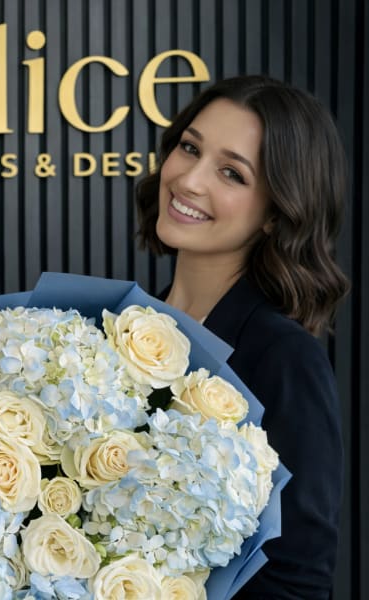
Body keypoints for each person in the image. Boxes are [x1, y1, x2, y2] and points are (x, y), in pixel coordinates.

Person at [135, 75, 349, 599]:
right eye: (190, 148)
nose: (189, 180)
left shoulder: (284, 357)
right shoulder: (122, 328)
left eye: (231, 173)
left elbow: (298, 582)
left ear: (276, 213)